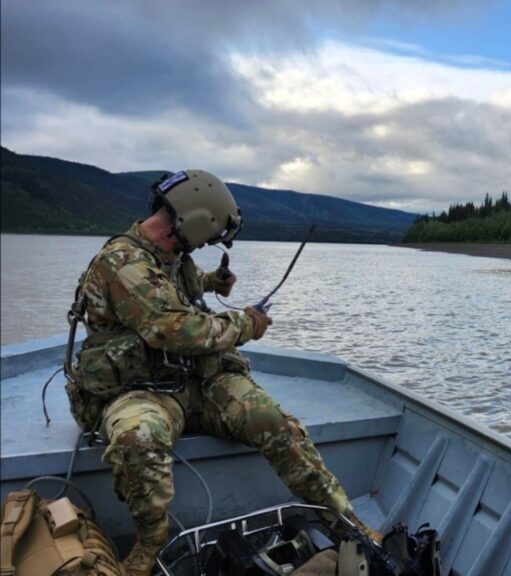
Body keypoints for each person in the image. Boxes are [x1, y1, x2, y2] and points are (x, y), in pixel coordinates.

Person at [63, 170, 375, 576]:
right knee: (138, 438)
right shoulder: (123, 262)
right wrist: (246, 324)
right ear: (192, 222)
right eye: (206, 238)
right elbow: (175, 329)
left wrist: (214, 283)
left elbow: (175, 288)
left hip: (196, 381)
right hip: (141, 390)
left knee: (273, 422)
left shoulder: (170, 257)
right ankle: (151, 541)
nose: (202, 246)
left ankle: (344, 519)